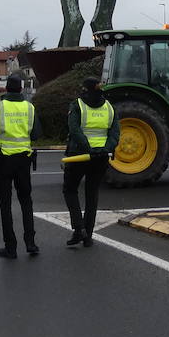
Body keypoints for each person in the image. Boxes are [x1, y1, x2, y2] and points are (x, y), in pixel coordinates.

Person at [0, 73, 42, 258]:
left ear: (6, 88)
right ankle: (31, 243)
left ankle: (10, 247)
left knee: (5, 204)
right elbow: (36, 135)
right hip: (24, 160)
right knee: (26, 200)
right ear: (21, 88)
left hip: (3, 161)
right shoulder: (30, 107)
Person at [62, 77, 119, 248]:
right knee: (92, 194)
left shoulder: (77, 105)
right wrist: (105, 149)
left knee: (70, 189)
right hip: (101, 157)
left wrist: (87, 148)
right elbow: (115, 132)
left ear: (85, 89)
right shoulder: (110, 107)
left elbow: (74, 129)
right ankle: (88, 236)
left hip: (79, 155)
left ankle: (79, 228)